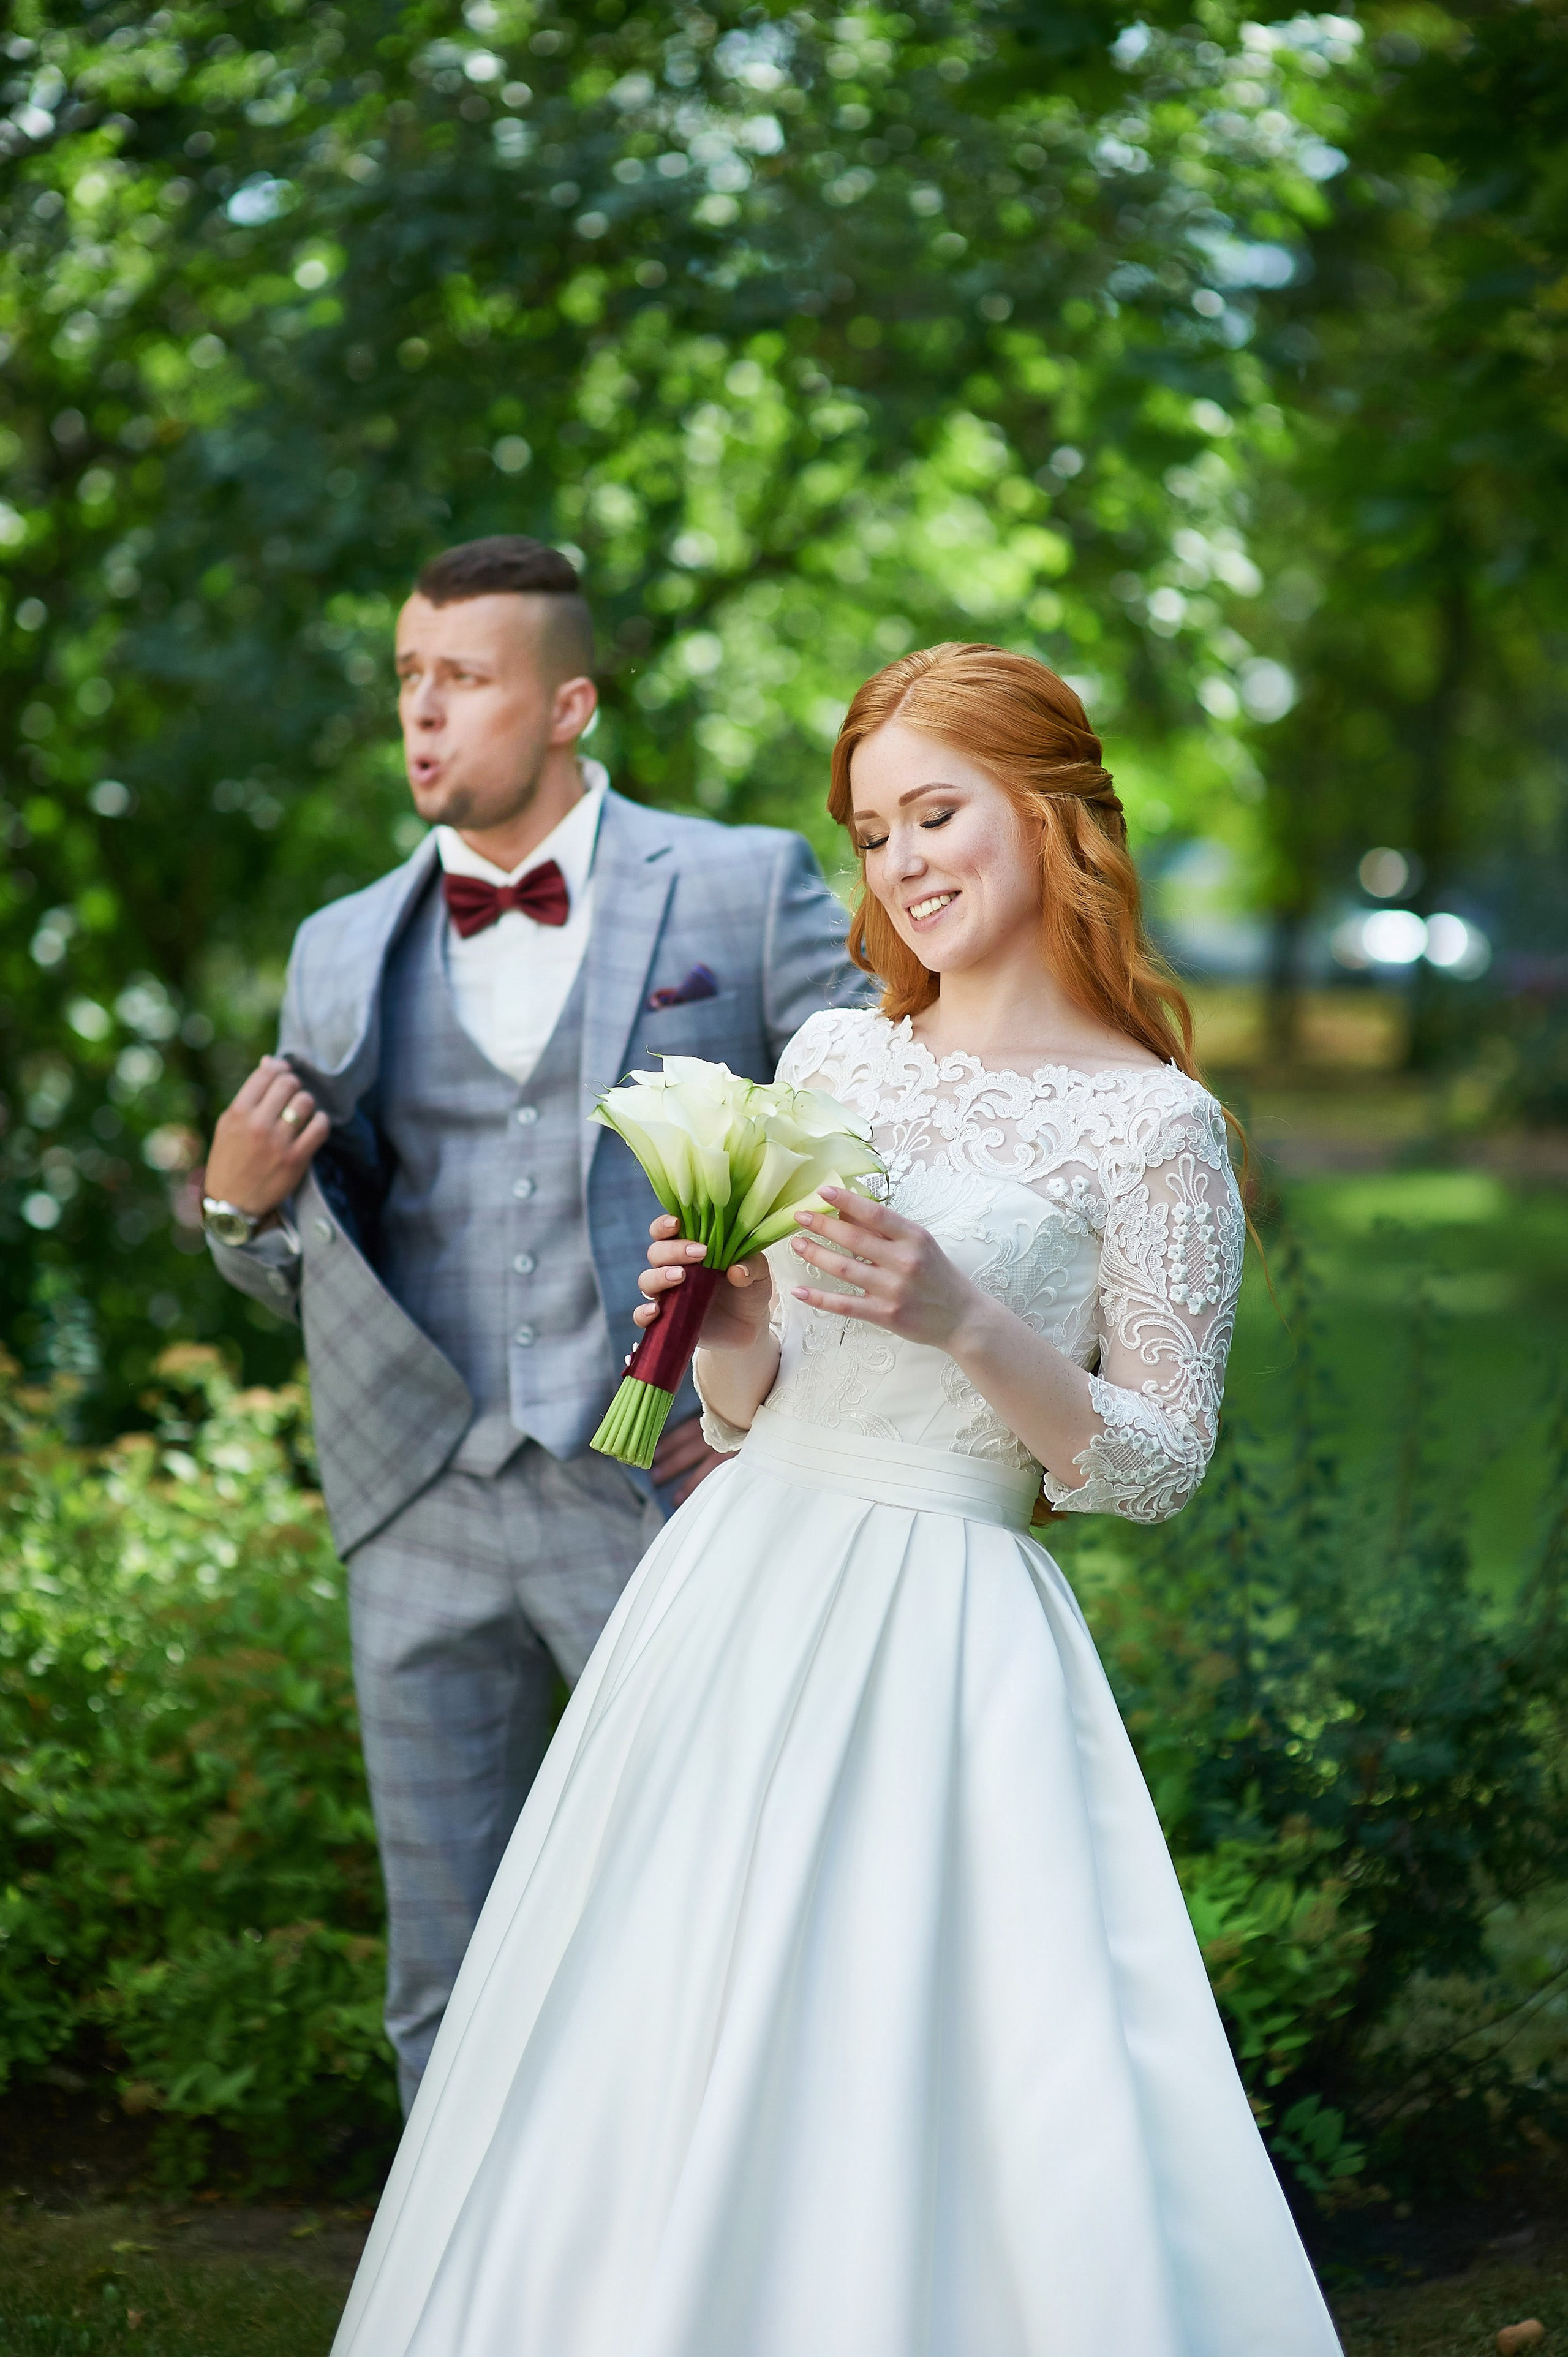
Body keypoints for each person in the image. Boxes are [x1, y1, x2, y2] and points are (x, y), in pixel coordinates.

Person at [330, 643, 1344, 2357]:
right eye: (876, 836)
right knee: (657, 2022)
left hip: (953, 1622)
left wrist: (968, 1317)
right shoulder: (834, 1059)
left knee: (931, 2052)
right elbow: (749, 1401)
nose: (907, 866)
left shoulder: (1158, 1129)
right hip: (738, 1591)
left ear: (1053, 812)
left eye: (937, 814)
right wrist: (724, 1325)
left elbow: (1155, 1468)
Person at [201, 535, 862, 2109]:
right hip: (415, 1498)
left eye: (464, 680)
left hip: (653, 1483)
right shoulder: (340, 944)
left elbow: (872, 1122)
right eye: (408, 682)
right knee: (444, 1963)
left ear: (565, 702)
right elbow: (314, 1254)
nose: (423, 715)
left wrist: (768, 1370)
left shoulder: (735, 879)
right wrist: (235, 1215)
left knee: (713, 1908)